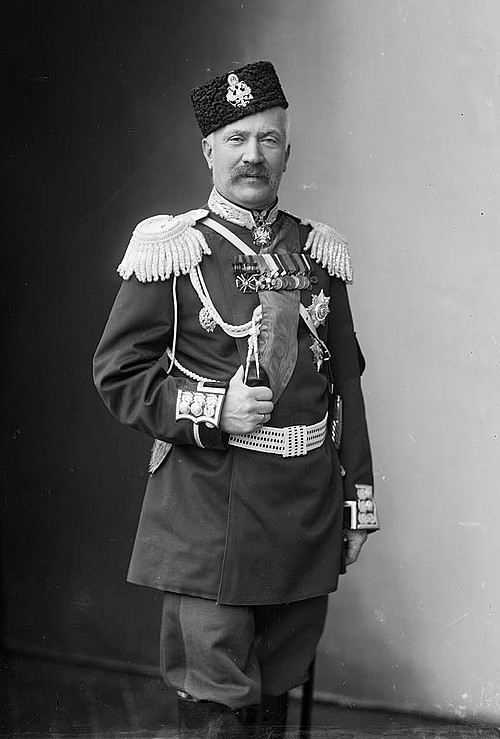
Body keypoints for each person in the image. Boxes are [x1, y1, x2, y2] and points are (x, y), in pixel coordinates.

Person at [93, 60, 379, 738]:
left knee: (278, 684)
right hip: (209, 512)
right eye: (236, 139)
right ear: (208, 150)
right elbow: (118, 373)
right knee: (216, 694)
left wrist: (357, 500)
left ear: (287, 151)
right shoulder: (174, 249)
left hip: (303, 512)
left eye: (268, 139)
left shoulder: (317, 252)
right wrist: (213, 408)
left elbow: (344, 385)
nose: (253, 155)